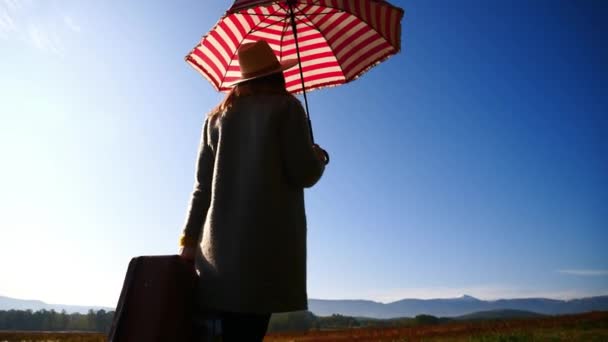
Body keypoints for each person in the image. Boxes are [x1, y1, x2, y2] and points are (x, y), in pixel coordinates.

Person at [178, 39, 327, 341]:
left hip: (216, 259)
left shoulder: (215, 118)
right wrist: (319, 156)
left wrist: (188, 243)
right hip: (266, 256)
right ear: (276, 74)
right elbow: (304, 173)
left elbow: (201, 189)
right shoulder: (288, 108)